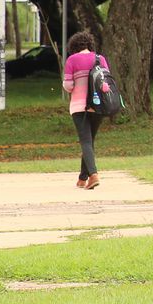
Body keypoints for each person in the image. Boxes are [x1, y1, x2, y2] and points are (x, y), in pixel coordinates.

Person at [61, 32, 107, 190]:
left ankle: (93, 175)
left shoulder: (72, 60)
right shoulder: (100, 59)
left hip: (79, 106)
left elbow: (68, 86)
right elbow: (106, 81)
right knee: (89, 141)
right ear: (90, 44)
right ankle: (82, 178)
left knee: (85, 141)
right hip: (99, 105)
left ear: (73, 46)